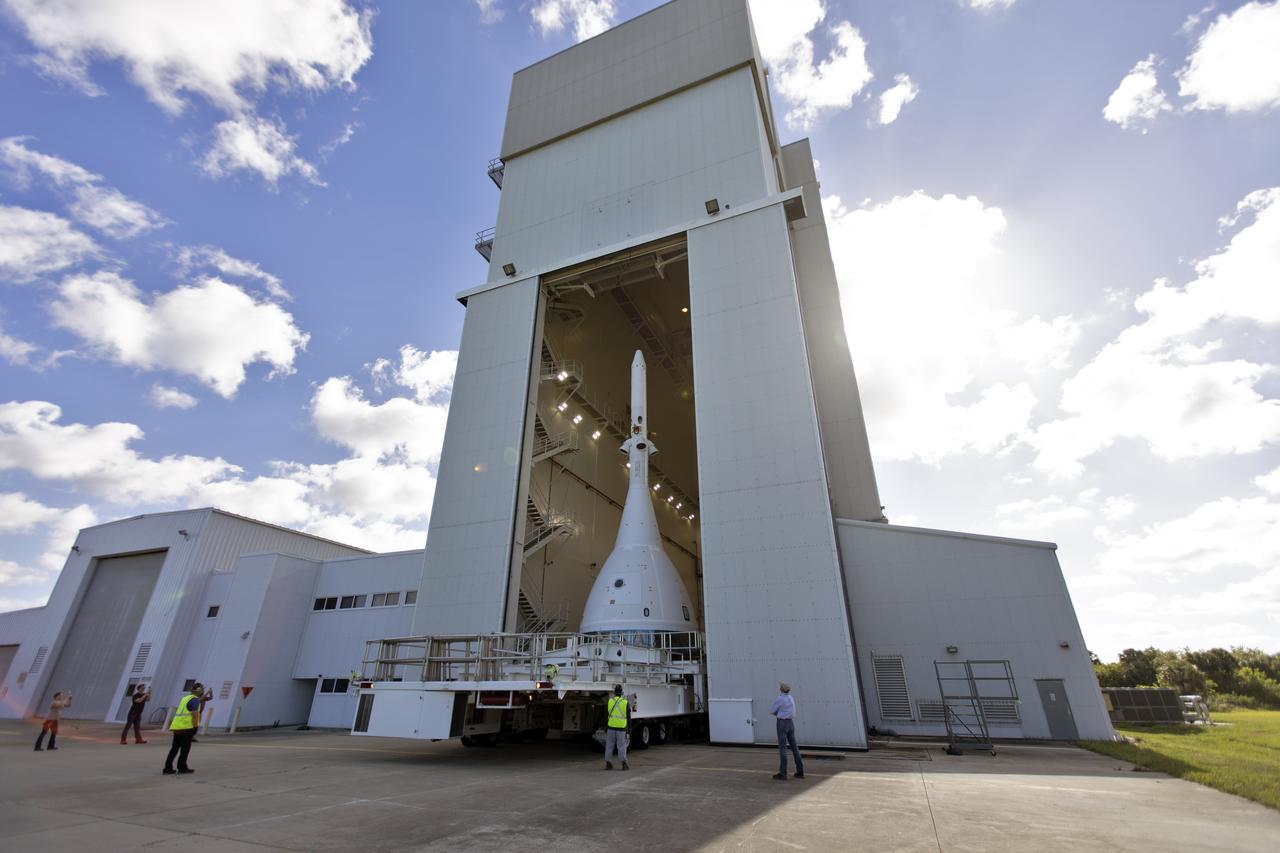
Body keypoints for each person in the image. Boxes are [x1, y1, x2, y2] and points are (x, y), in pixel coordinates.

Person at [163, 683, 203, 775]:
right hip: (186, 727)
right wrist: (195, 726)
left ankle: (167, 768)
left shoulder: (185, 698)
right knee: (185, 749)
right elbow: (195, 713)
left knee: (174, 748)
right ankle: (182, 767)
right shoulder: (195, 700)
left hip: (177, 727)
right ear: (199, 691)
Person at [770, 681, 804, 780]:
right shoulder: (791, 698)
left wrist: (780, 714)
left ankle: (783, 773)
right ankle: (800, 771)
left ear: (781, 689)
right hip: (790, 723)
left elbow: (772, 711)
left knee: (783, 748)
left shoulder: (780, 699)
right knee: (794, 747)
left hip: (782, 723)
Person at [603, 684, 630, 771]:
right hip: (621, 728)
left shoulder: (610, 701)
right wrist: (628, 729)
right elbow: (628, 717)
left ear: (614, 693)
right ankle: (624, 764)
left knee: (609, 746)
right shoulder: (625, 702)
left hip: (611, 727)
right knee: (621, 746)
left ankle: (608, 763)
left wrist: (605, 726)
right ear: (622, 692)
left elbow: (606, 715)